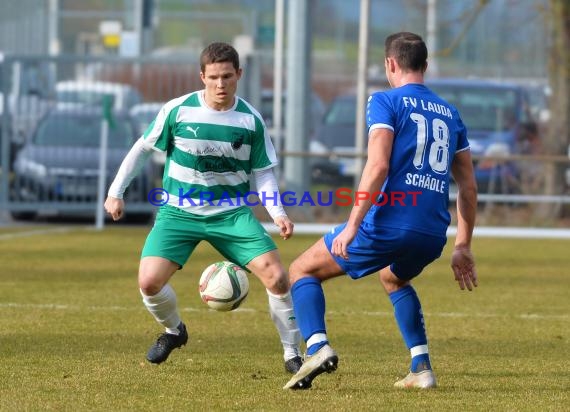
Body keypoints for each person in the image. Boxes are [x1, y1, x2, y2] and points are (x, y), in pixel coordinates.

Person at [283, 32, 478, 390]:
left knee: (301, 270)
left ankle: (316, 346)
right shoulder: (451, 114)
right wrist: (462, 246)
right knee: (393, 277)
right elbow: (468, 186)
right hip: (433, 233)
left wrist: (352, 225)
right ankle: (421, 368)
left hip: (391, 222)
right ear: (425, 65)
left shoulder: (385, 101)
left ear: (390, 64)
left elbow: (378, 166)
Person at [104, 42, 303, 374]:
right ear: (202, 76)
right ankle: (174, 332)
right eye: (213, 77)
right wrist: (116, 191)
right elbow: (141, 148)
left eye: (227, 76)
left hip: (231, 213)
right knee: (149, 282)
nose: (220, 85)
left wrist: (278, 213)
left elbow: (264, 172)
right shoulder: (178, 110)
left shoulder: (251, 120)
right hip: (178, 212)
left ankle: (292, 354)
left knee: (278, 277)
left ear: (239, 74)